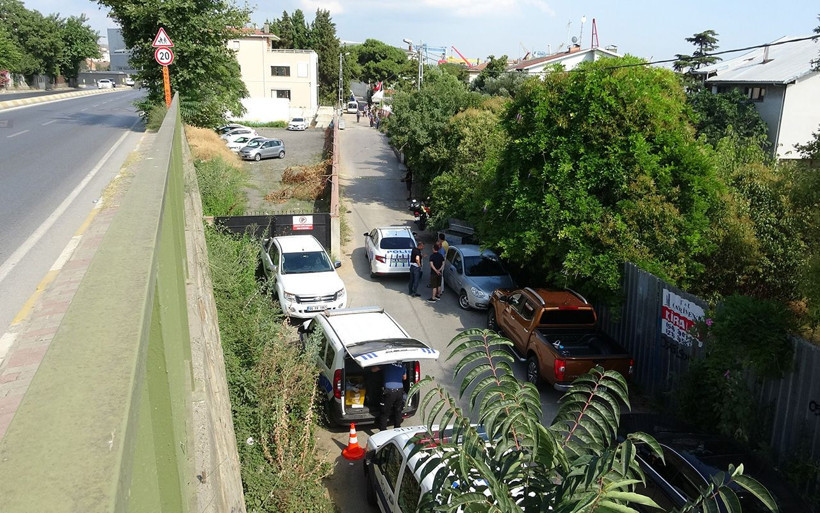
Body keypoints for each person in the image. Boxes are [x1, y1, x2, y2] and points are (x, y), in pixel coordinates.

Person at [374, 362, 407, 430]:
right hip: (400, 391)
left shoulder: (386, 363)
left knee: (385, 412)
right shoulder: (402, 365)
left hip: (389, 392)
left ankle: (383, 430)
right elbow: (404, 377)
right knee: (398, 410)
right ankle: (397, 428)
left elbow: (373, 370)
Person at [437, 233, 449, 298]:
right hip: (444, 259)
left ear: (440, 238)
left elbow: (441, 254)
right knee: (441, 275)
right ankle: (442, 288)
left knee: (440, 275)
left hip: (441, 261)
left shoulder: (442, 245)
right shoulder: (446, 243)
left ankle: (440, 290)